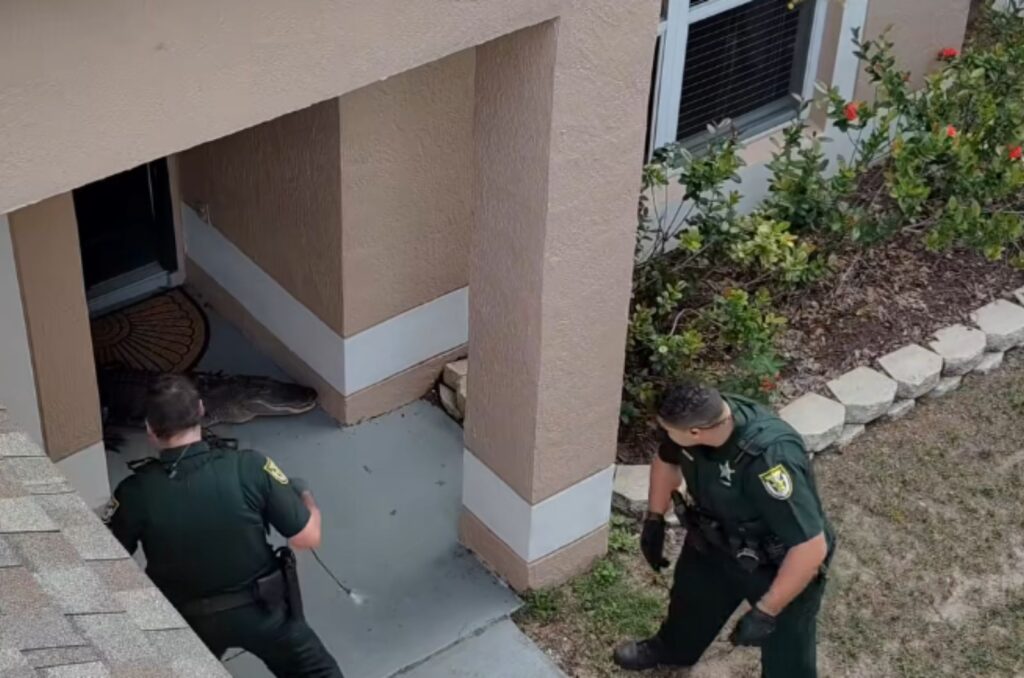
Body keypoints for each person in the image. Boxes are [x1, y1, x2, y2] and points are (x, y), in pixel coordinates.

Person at [103, 374, 343, 677]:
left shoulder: (133, 493)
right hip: (264, 613)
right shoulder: (250, 467)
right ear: (201, 411)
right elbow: (308, 537)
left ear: (150, 429)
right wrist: (305, 495)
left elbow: (107, 568)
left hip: (187, 623)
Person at [613, 383, 834, 677]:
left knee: (786, 642)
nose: (665, 435)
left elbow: (810, 547)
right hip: (713, 541)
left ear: (696, 433)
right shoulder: (701, 418)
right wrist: (654, 518)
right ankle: (673, 649)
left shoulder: (770, 459)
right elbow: (666, 460)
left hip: (777, 561)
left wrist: (766, 610)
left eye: (668, 430)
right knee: (690, 601)